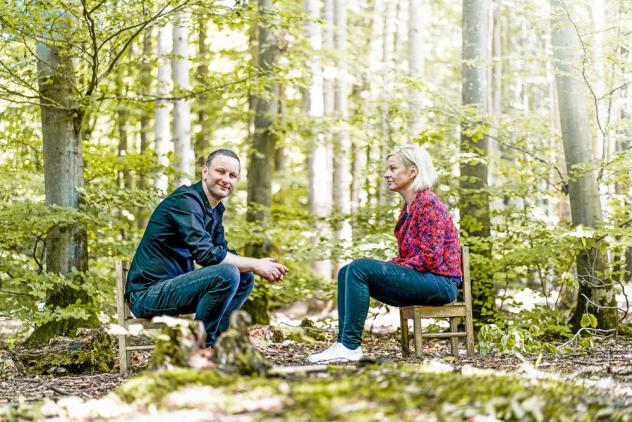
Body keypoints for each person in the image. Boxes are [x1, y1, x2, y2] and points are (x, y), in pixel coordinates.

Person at [308, 144, 462, 363]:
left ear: (412, 172)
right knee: (346, 271)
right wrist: (392, 265)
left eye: (392, 168)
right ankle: (343, 344)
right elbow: (412, 257)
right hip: (426, 278)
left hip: (441, 283)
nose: (386, 174)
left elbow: (431, 258)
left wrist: (394, 267)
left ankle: (350, 347)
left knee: (359, 268)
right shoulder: (410, 206)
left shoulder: (428, 203)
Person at [125, 148, 288, 347]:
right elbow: (206, 255)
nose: (226, 179)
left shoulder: (215, 209)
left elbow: (221, 250)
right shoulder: (186, 201)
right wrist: (255, 263)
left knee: (244, 277)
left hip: (175, 290)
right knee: (228, 273)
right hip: (146, 295)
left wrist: (257, 267)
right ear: (204, 172)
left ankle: (221, 344)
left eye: (232, 175)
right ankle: (203, 347)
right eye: (221, 171)